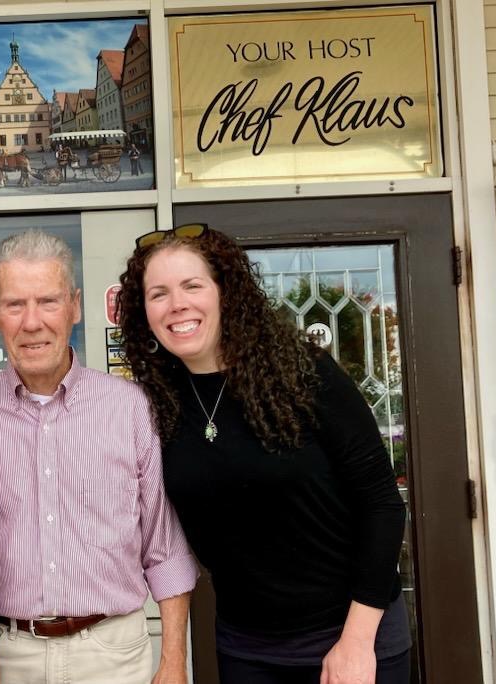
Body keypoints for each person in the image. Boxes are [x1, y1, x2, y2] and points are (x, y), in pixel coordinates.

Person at [116, 224, 411, 684]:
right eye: (159, 294)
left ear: (226, 294)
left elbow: (382, 503)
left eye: (193, 286)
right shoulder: (159, 402)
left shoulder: (303, 373)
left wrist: (356, 641)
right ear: (144, 313)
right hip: (246, 646)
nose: (177, 305)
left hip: (348, 633)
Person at [0, 229, 198, 684]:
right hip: (3, 655)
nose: (32, 322)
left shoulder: (129, 407)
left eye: (48, 301)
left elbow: (163, 546)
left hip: (114, 654)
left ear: (75, 306)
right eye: (15, 304)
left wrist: (174, 661)